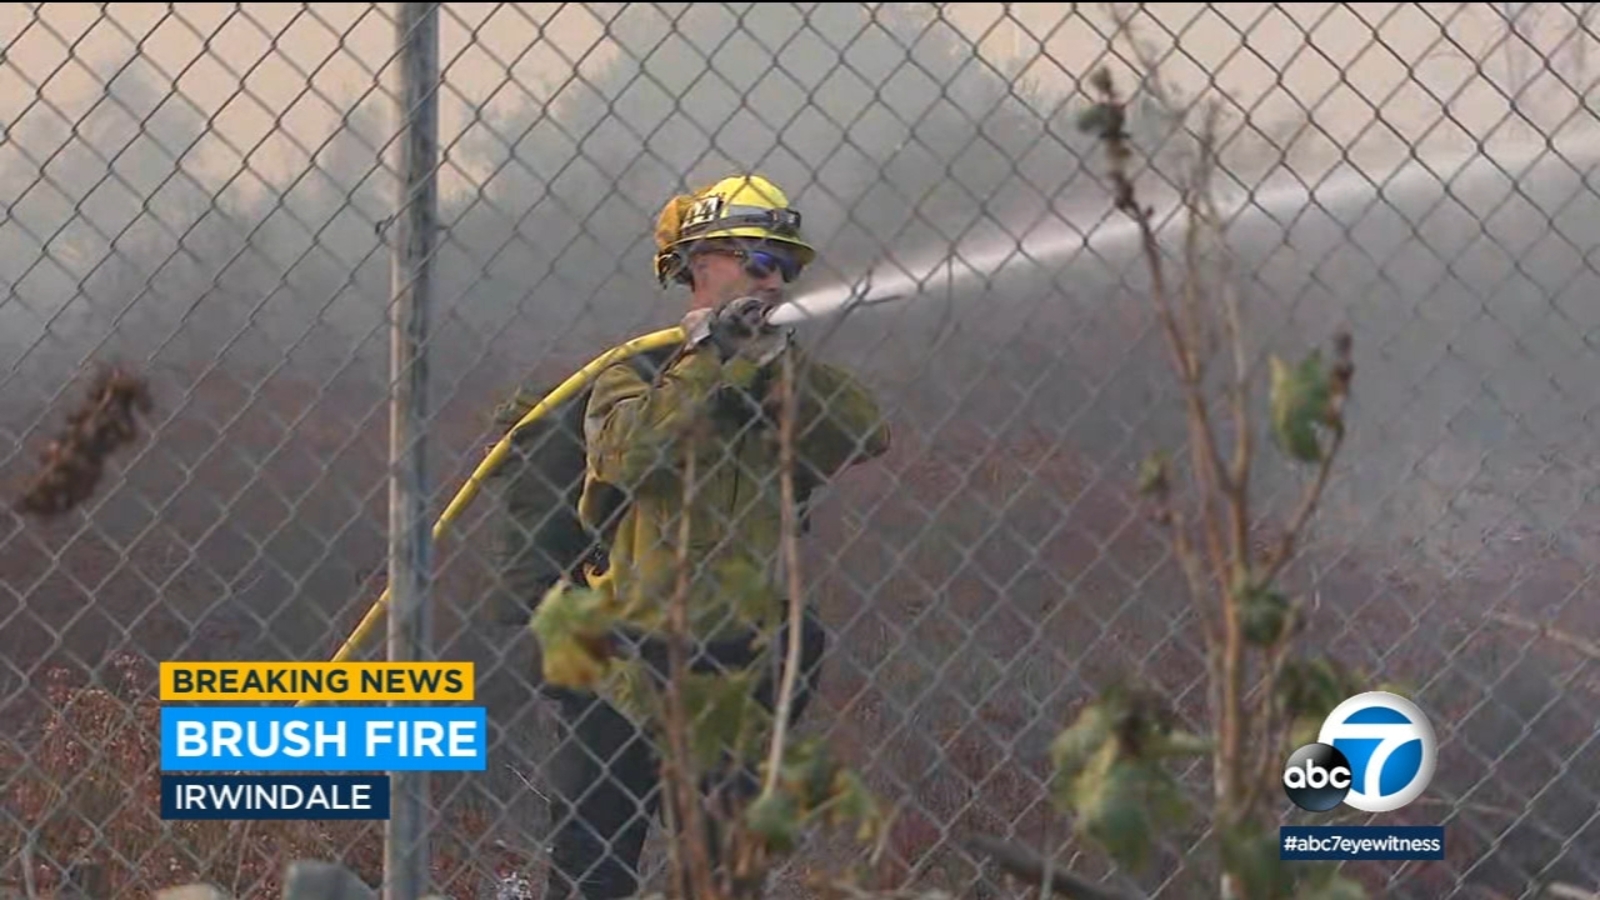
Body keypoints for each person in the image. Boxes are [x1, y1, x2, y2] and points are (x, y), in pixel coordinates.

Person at [537, 174, 892, 900]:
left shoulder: (784, 382)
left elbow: (863, 433)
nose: (773, 279)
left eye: (783, 266)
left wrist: (775, 363)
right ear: (699, 264)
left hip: (739, 668)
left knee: (721, 873)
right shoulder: (635, 371)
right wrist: (707, 360)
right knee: (590, 867)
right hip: (626, 667)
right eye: (755, 260)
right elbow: (628, 456)